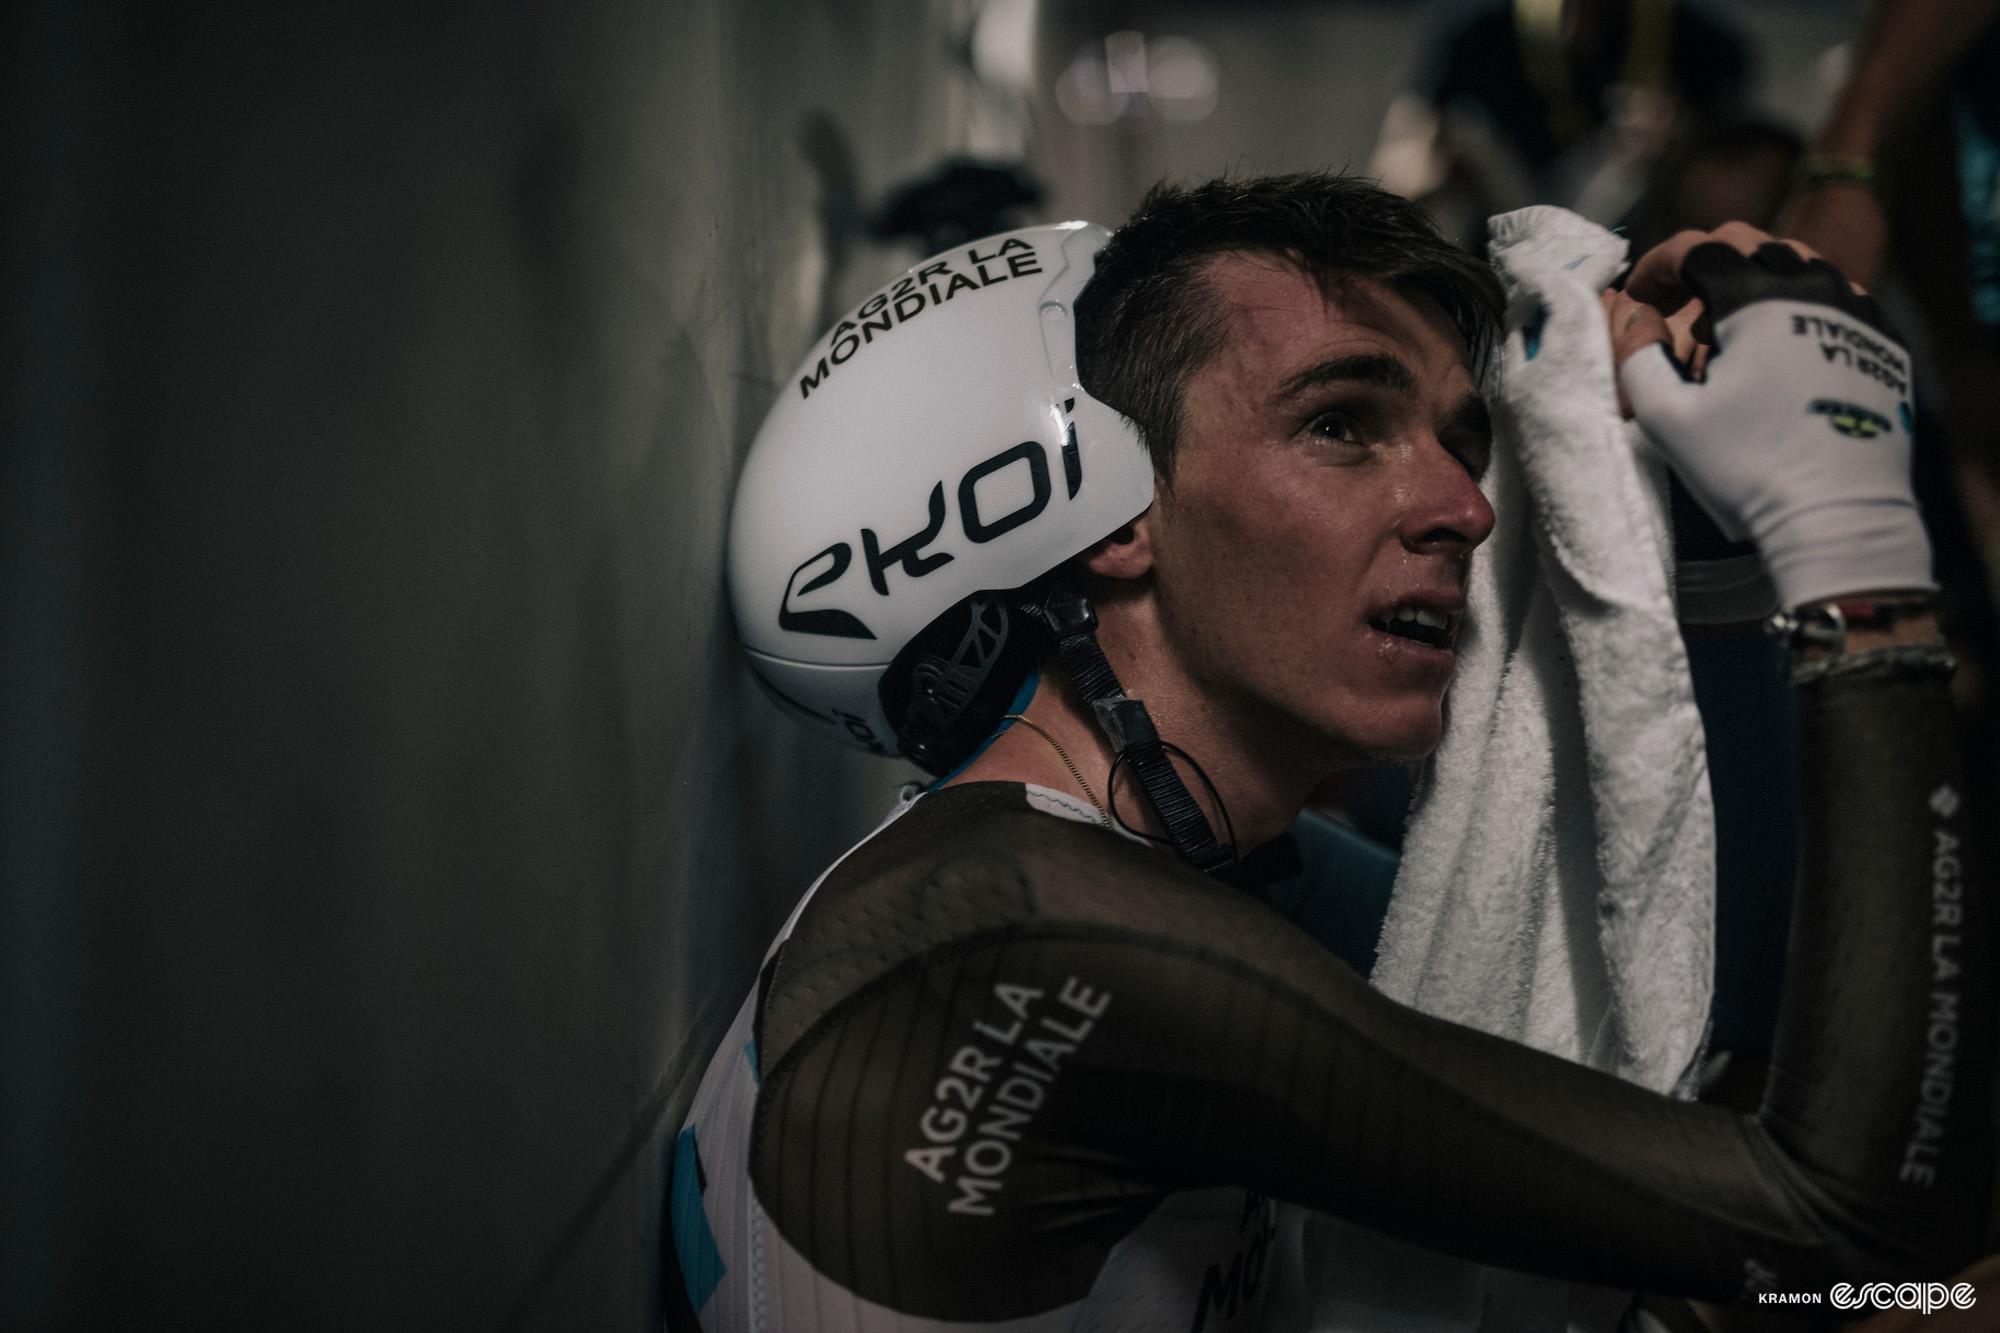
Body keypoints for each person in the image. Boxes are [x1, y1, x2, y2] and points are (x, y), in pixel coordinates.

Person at [668, 175, 1990, 1332]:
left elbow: (1718, 1061)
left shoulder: (1200, 868)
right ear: (1112, 509)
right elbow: (1849, 1227)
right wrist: (1852, 545)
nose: (1468, 508)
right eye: (1342, 423)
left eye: (1463, 443)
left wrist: (1702, 544)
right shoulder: (1037, 929)